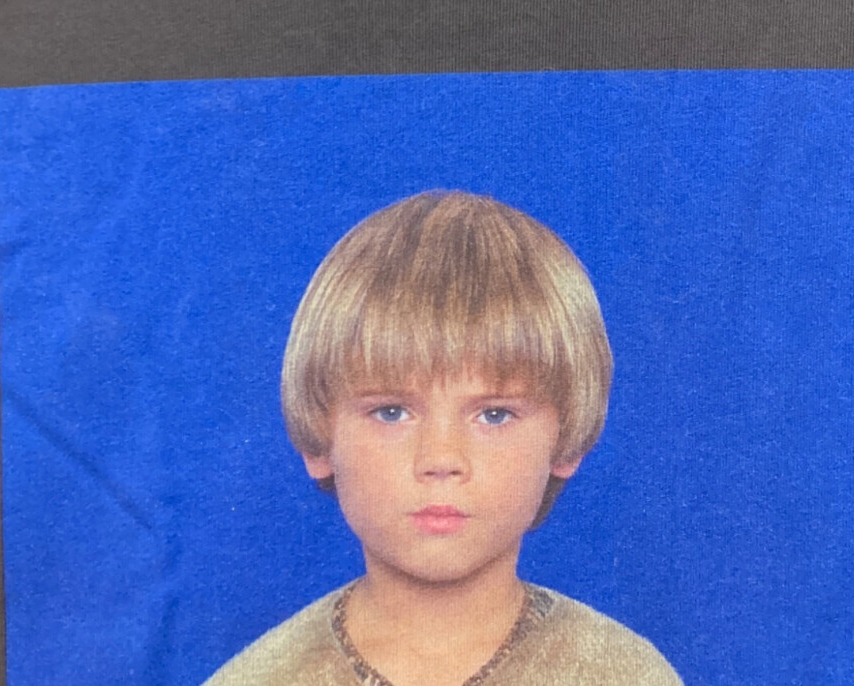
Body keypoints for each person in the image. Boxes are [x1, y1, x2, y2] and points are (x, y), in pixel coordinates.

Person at [203, 190, 683, 686]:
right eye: (392, 412)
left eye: (494, 415)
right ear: (319, 438)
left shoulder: (624, 675)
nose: (441, 459)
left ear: (565, 440)